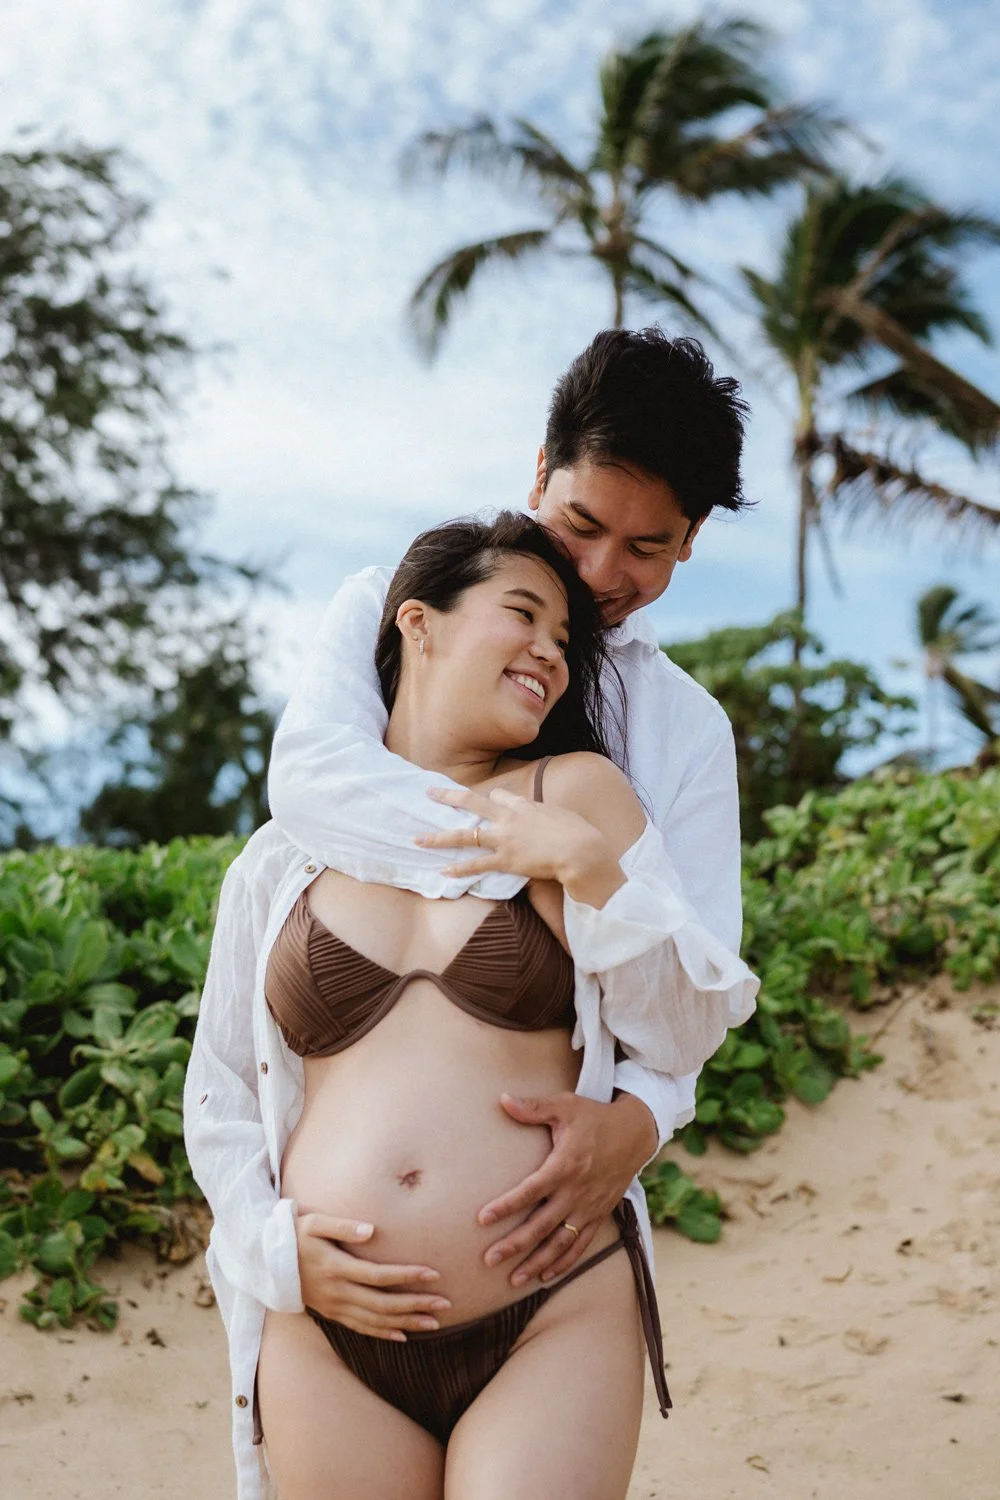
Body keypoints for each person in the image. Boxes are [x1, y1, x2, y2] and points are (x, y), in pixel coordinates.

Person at [185, 512, 758, 1500]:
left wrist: (590, 870)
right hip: (330, 1335)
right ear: (419, 622)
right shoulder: (284, 855)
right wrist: (274, 1258)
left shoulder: (575, 794)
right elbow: (222, 1094)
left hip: (549, 1309)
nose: (552, 652)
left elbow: (679, 1029)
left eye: (564, 643)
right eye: (523, 615)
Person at [267, 328, 751, 1290]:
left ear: (691, 540)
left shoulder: (685, 731)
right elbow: (318, 786)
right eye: (582, 524)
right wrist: (540, 838)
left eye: (647, 546)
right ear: (540, 472)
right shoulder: (392, 604)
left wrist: (641, 1123)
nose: (603, 571)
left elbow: (695, 972)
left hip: (551, 1264)